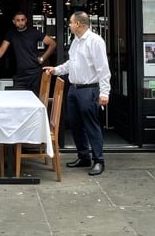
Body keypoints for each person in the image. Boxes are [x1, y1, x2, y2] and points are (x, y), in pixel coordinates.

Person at [44, 11, 109, 176]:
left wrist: (104, 93)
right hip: (73, 89)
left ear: (78, 24)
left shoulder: (95, 41)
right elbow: (70, 63)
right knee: (75, 124)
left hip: (89, 89)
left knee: (91, 125)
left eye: (71, 23)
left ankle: (98, 160)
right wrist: (56, 70)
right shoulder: (76, 41)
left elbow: (103, 69)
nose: (70, 25)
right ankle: (83, 156)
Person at [0, 11, 56, 93]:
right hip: (20, 75)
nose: (20, 22)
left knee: (35, 101)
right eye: (18, 20)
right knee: (17, 99)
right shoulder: (11, 34)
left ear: (26, 20)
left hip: (35, 74)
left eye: (22, 20)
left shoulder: (34, 32)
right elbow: (1, 50)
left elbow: (52, 44)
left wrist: (42, 58)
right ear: (14, 21)